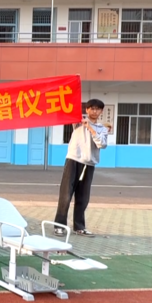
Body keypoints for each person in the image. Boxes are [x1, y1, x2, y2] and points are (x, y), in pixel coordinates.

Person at [53, 99, 108, 237]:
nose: (94, 111)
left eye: (97, 109)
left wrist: (91, 128)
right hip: (73, 160)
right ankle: (59, 226)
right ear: (87, 110)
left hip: (89, 164)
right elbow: (68, 112)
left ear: (101, 111)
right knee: (66, 194)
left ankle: (79, 227)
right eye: (92, 108)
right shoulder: (78, 122)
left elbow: (102, 144)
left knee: (83, 197)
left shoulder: (102, 129)